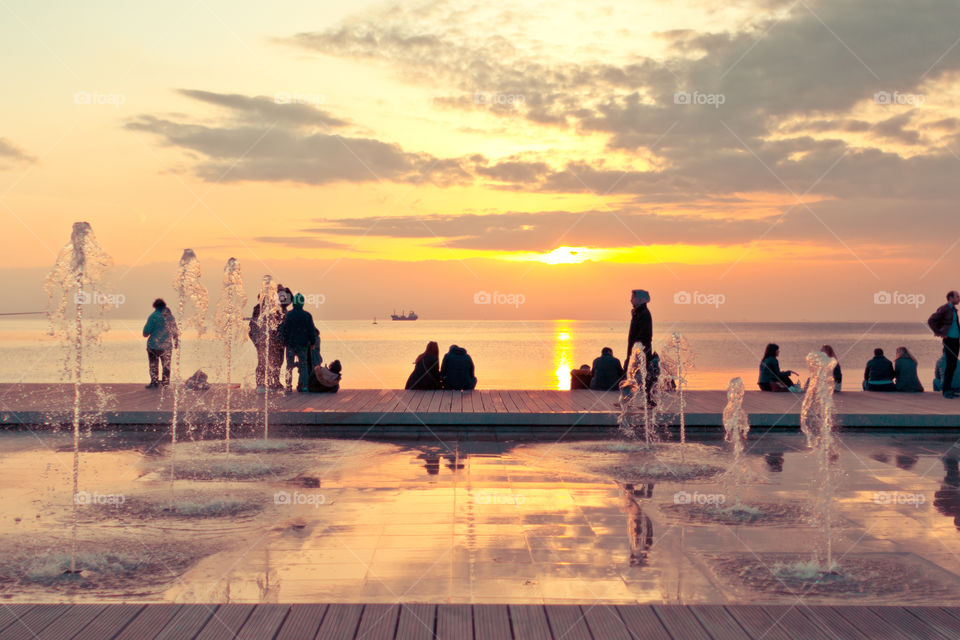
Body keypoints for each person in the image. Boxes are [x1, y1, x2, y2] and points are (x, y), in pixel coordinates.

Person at [278, 293, 320, 393]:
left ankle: (288, 386)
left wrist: (282, 342)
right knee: (303, 365)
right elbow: (311, 331)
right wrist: (313, 342)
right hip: (303, 345)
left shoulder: (288, 315)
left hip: (290, 345)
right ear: (302, 303)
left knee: (289, 366)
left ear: (293, 303)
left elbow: (284, 330)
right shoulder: (307, 315)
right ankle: (304, 386)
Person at [249, 285, 285, 392]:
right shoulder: (257, 309)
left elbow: (279, 324)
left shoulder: (275, 309)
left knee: (276, 361)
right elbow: (253, 325)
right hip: (263, 339)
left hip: (274, 339)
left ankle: (273, 382)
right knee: (262, 361)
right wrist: (257, 340)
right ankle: (261, 384)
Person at [928, 290, 960, 398]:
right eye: (957, 296)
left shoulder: (954, 310)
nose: (959, 298)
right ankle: (946, 390)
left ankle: (949, 388)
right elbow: (931, 320)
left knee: (953, 364)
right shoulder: (944, 308)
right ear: (950, 298)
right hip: (949, 340)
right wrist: (939, 332)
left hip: (956, 340)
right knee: (950, 364)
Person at [142, 298, 179, 389]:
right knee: (166, 365)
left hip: (153, 345)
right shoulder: (170, 317)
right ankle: (165, 384)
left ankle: (154, 383)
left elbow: (145, 333)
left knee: (153, 365)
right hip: (166, 346)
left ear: (155, 306)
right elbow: (175, 331)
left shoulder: (153, 316)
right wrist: (176, 341)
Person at [626, 289, 652, 366]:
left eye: (633, 298)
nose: (630, 300)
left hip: (639, 354)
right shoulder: (638, 313)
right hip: (636, 353)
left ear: (640, 299)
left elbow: (645, 335)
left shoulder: (643, 314)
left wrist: (635, 351)